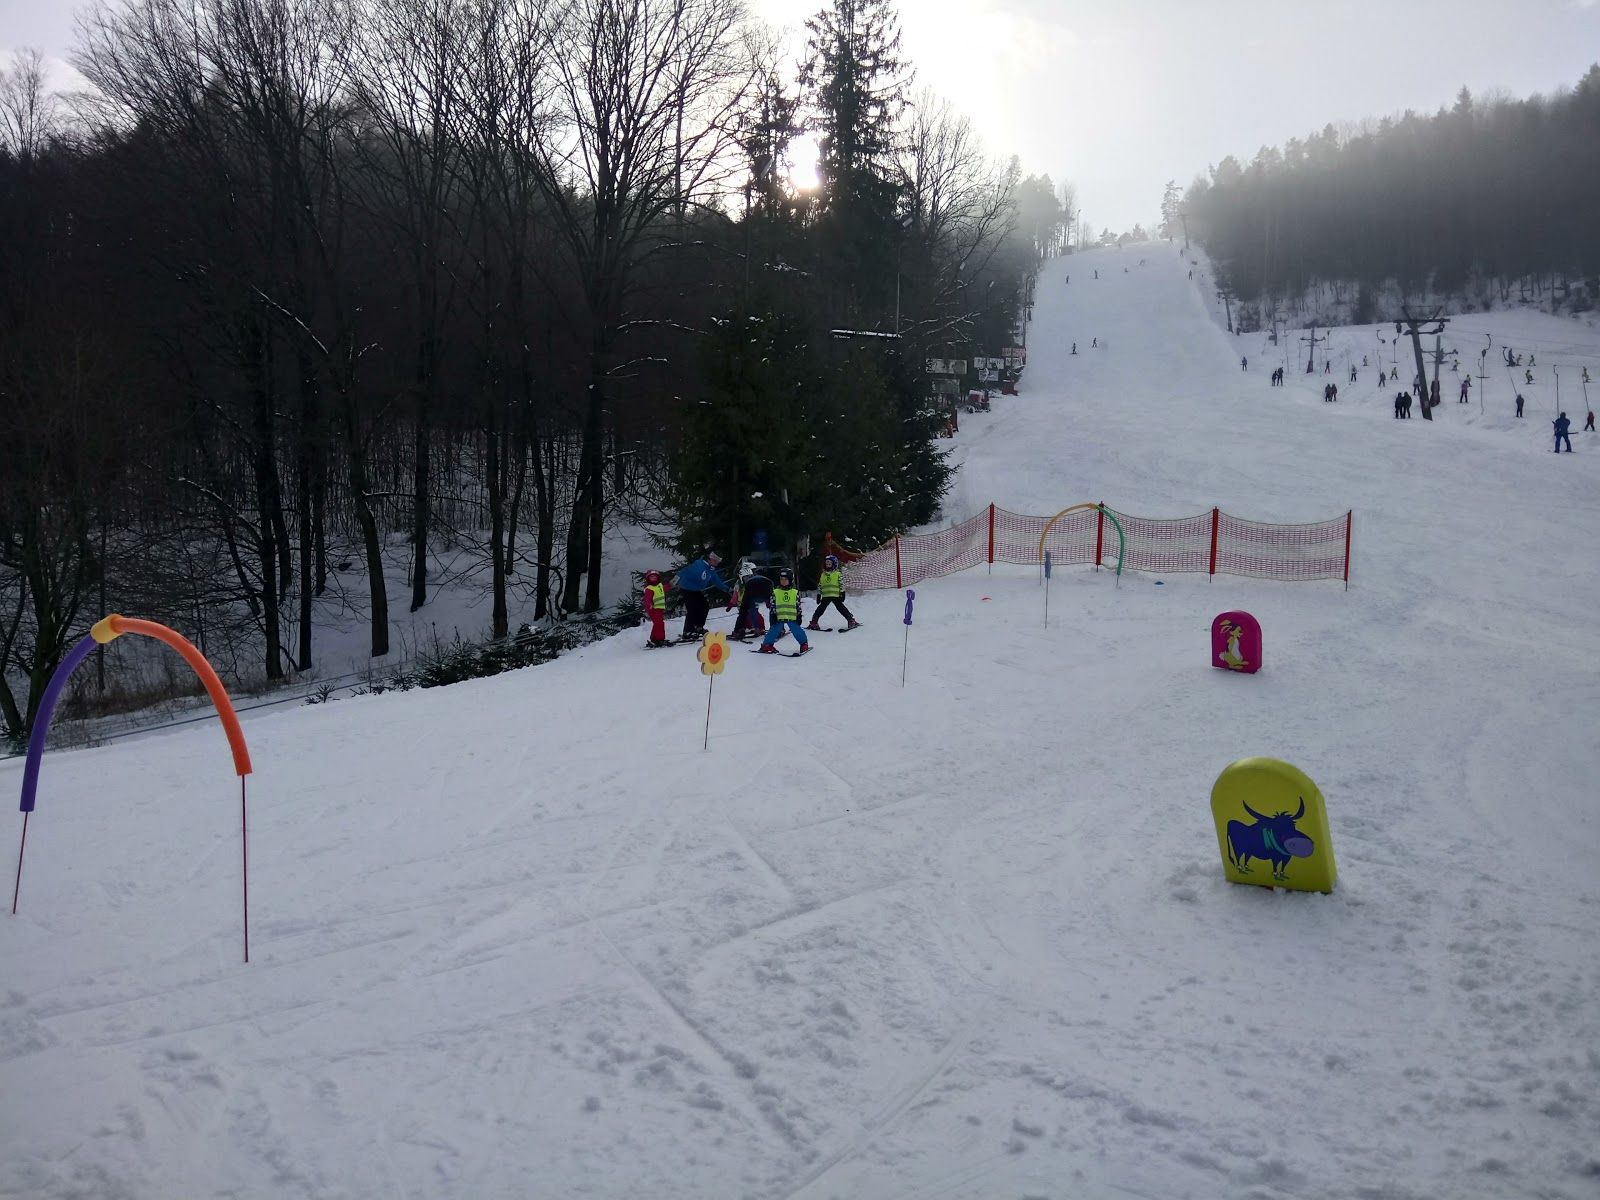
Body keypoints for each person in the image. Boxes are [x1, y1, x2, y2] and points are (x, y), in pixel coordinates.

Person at [675, 548, 727, 640]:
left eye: (719, 561)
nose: (718, 563)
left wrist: (727, 589)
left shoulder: (710, 568)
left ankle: (698, 627)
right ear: (711, 559)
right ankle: (687, 631)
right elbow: (684, 572)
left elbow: (716, 581)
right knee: (692, 608)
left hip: (695, 590)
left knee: (704, 606)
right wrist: (675, 581)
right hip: (687, 588)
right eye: (717, 561)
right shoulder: (699, 565)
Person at [758, 569, 810, 655]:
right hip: (778, 617)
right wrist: (773, 615)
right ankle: (767, 645)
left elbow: (797, 605)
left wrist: (799, 615)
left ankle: (804, 644)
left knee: (797, 631)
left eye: (785, 579)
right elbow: (773, 604)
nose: (783, 581)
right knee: (774, 631)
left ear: (790, 580)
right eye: (781, 579)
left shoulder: (795, 592)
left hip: (792, 617)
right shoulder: (775, 592)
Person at [808, 555, 860, 631]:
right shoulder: (823, 575)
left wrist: (843, 593)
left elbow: (841, 584)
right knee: (820, 609)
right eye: (826, 563)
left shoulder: (837, 574)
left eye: (829, 563)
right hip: (826, 596)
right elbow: (820, 585)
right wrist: (819, 595)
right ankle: (814, 622)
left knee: (841, 608)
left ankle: (850, 620)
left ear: (834, 564)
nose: (827, 565)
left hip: (836, 595)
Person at [729, 561, 773, 641]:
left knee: (755, 614)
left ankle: (759, 628)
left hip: (753, 600)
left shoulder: (757, 581)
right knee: (744, 615)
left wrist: (768, 601)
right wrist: (732, 603)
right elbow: (736, 594)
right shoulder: (739, 584)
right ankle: (741, 629)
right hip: (743, 602)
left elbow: (766, 593)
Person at [642, 569, 671, 648]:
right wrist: (649, 605)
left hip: (659, 608)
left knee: (657, 624)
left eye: (655, 577)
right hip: (653, 609)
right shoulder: (649, 588)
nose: (653, 578)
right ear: (648, 579)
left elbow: (664, 589)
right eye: (651, 577)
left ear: (658, 578)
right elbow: (647, 599)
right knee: (660, 624)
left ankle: (654, 639)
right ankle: (659, 639)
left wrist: (670, 585)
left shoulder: (659, 586)